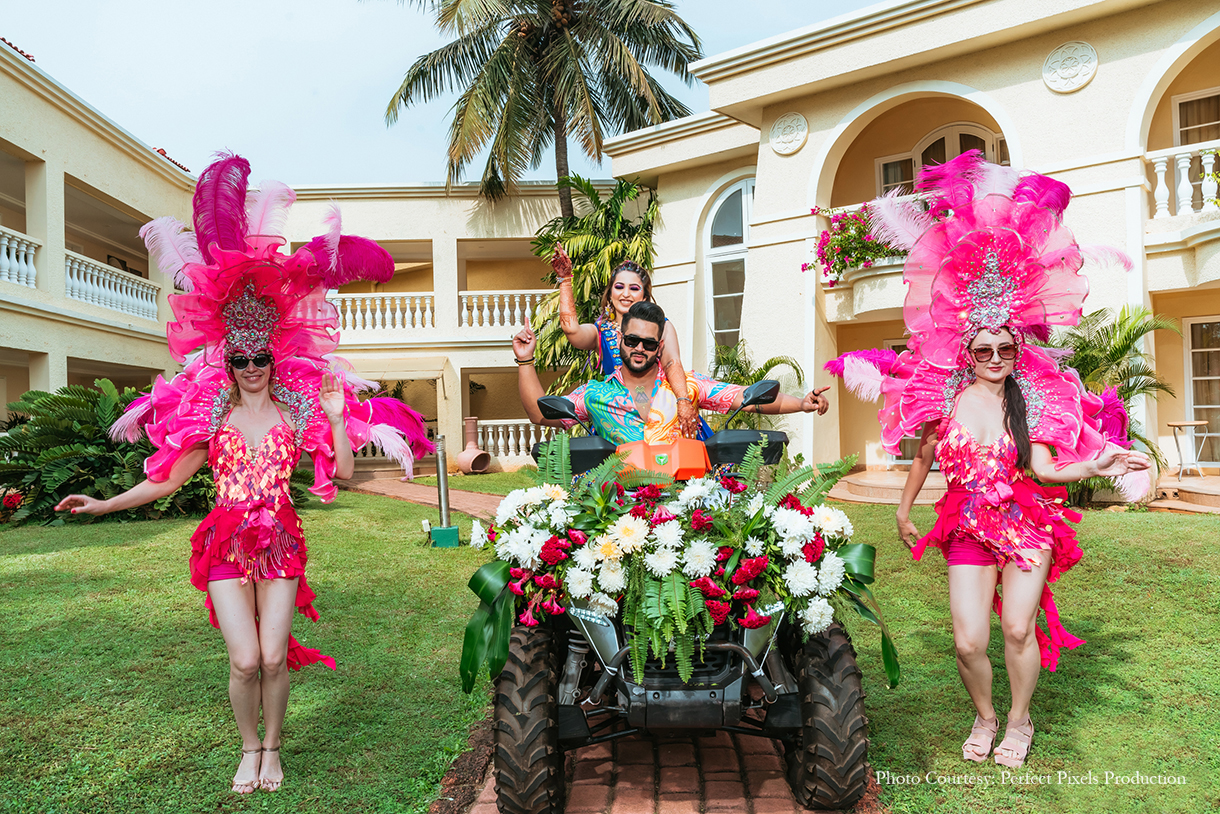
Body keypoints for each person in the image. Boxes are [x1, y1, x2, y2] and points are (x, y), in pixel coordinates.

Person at [55, 153, 432, 795]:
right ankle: (248, 748)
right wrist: (101, 506)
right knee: (245, 657)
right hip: (226, 538)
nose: (253, 364)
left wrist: (339, 419)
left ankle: (275, 749)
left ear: (274, 355)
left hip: (282, 537)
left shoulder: (299, 408)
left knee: (277, 656)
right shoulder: (208, 412)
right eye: (242, 357)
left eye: (262, 355)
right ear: (229, 359)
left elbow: (338, 475)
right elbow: (167, 481)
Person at [828, 150, 1152, 769]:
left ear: (1016, 345)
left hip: (1025, 523)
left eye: (1006, 346)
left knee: (1015, 630)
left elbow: (1050, 469)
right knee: (969, 640)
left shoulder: (1035, 398)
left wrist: (1101, 463)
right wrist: (902, 511)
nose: (997, 355)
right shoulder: (943, 398)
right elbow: (923, 457)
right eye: (985, 348)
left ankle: (1020, 721)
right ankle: (985, 715)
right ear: (968, 349)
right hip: (966, 527)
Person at [517, 300, 829, 441]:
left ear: (659, 347)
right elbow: (540, 414)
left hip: (685, 504)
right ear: (620, 341)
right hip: (619, 509)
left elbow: (744, 397)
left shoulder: (688, 387)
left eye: (649, 343)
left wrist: (801, 404)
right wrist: (525, 361)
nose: (640, 348)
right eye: (633, 340)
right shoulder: (594, 394)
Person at [551, 244, 701, 438]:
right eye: (619, 287)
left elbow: (672, 362)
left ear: (645, 296)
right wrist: (565, 280)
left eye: (634, 288)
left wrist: (682, 401)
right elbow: (571, 330)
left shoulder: (661, 326)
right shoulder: (601, 330)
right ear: (610, 293)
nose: (625, 294)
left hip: (662, 412)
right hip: (617, 418)